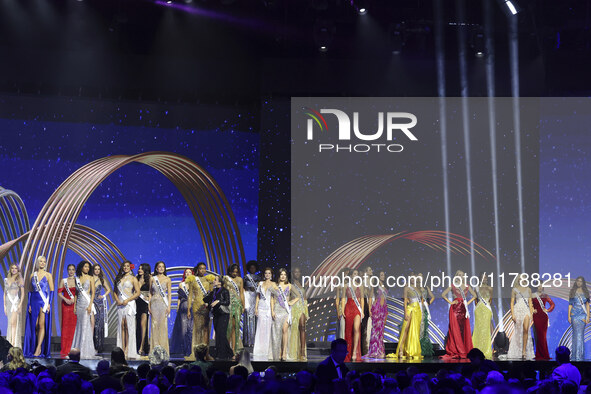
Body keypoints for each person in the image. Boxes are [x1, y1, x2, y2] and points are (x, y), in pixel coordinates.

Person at [24, 256, 54, 358]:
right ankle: (36, 345)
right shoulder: (32, 275)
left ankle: (38, 348)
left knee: (41, 324)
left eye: (44, 262)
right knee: (35, 325)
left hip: (43, 301)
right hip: (34, 301)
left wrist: (49, 303)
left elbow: (52, 290)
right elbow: (30, 291)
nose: (42, 263)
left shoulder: (48, 275)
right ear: (37, 263)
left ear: (45, 263)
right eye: (40, 261)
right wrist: (29, 304)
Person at [441, 270, 475, 359]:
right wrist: (450, 302)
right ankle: (456, 350)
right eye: (459, 275)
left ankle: (464, 349)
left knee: (463, 329)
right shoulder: (453, 285)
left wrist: (468, 303)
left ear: (464, 276)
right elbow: (443, 294)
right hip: (455, 309)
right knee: (455, 330)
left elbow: (475, 295)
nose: (460, 276)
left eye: (462, 275)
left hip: (464, 309)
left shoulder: (467, 286)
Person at [113, 261, 140, 360]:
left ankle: (128, 349)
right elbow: (115, 292)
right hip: (120, 305)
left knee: (129, 326)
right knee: (122, 326)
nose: (125, 268)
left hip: (129, 304)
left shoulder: (133, 279)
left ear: (130, 267)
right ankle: (122, 349)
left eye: (127, 266)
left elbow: (137, 293)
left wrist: (127, 300)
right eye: (124, 266)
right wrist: (117, 301)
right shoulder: (119, 279)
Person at [186, 262, 213, 360]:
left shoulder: (209, 280)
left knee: (205, 329)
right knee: (197, 329)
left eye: (204, 268)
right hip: (196, 306)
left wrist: (210, 305)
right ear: (198, 269)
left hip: (205, 307)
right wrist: (188, 309)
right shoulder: (193, 280)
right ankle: (196, 353)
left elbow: (211, 295)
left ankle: (206, 353)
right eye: (201, 268)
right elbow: (189, 296)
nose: (202, 270)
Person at [203, 275, 234, 359]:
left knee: (221, 334)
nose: (214, 281)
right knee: (219, 334)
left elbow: (227, 302)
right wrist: (209, 299)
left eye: (215, 280)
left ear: (220, 282)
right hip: (216, 314)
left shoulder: (225, 291)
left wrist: (218, 301)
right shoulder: (213, 291)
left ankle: (222, 354)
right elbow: (205, 299)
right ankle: (229, 353)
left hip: (223, 314)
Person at [71, 260, 97, 359]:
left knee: (86, 326)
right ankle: (77, 349)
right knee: (79, 326)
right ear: (81, 267)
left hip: (87, 304)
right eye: (85, 266)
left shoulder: (91, 278)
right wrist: (74, 306)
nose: (87, 268)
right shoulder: (77, 279)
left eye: (88, 267)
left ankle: (84, 350)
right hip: (79, 305)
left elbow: (93, 293)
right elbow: (77, 294)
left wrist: (90, 305)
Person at [507, 274, 535, 360]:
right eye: (520, 279)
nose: (522, 280)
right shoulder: (514, 290)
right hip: (517, 310)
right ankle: (518, 350)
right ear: (518, 280)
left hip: (526, 311)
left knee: (526, 329)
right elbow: (512, 302)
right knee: (518, 332)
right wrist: (512, 314)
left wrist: (531, 314)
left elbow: (530, 302)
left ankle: (524, 351)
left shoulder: (528, 289)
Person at [396, 275, 422, 359]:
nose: (412, 280)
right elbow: (405, 301)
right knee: (406, 328)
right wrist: (405, 312)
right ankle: (401, 349)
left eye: (414, 278)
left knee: (415, 331)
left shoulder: (418, 288)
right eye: (411, 278)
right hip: (410, 308)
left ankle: (412, 349)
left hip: (418, 310)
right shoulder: (407, 288)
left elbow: (421, 300)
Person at [149, 261, 172, 356]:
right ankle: (154, 350)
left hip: (163, 304)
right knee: (154, 326)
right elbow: (150, 293)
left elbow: (169, 294)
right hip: (154, 304)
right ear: (156, 268)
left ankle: (163, 350)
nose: (161, 268)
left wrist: (169, 306)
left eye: (163, 267)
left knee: (163, 326)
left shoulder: (167, 279)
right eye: (159, 267)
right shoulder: (152, 279)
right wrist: (149, 306)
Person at [170, 268, 194, 357]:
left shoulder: (194, 284)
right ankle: (183, 350)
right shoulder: (181, 284)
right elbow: (179, 298)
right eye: (186, 272)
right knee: (183, 330)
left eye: (190, 272)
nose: (188, 273)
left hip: (192, 307)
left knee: (190, 329)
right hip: (183, 307)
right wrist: (177, 307)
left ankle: (190, 350)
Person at [270, 268, 293, 361]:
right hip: (277, 310)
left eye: (284, 274)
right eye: (281, 275)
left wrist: (291, 302)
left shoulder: (290, 286)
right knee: (278, 332)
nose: (283, 276)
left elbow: (298, 296)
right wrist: (272, 311)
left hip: (285, 311)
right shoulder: (275, 286)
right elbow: (272, 299)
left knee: (284, 331)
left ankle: (284, 353)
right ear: (279, 276)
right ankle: (279, 352)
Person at [342, 269, 364, 362]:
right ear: (350, 275)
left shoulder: (360, 286)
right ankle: (348, 352)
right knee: (348, 332)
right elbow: (343, 299)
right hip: (349, 308)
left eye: (357, 274)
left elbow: (362, 299)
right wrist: (342, 310)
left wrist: (362, 311)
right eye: (354, 274)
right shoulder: (346, 286)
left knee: (356, 329)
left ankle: (354, 352)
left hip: (357, 309)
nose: (356, 275)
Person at [365, 271, 388, 359]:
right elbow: (370, 299)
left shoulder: (385, 287)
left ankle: (380, 350)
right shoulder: (374, 287)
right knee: (375, 330)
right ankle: (375, 351)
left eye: (384, 275)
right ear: (378, 277)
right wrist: (370, 310)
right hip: (377, 308)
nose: (383, 276)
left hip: (383, 309)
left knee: (381, 330)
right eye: (381, 275)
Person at [252, 267, 273, 360]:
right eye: (266, 273)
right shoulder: (260, 284)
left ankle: (267, 350)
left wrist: (272, 310)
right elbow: (258, 296)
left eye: (269, 273)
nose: (267, 275)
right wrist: (256, 308)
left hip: (268, 308)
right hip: (261, 307)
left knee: (268, 328)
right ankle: (259, 350)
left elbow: (273, 299)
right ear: (264, 275)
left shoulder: (273, 284)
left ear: (271, 275)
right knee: (260, 328)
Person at [288, 267, 308, 361]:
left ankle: (302, 352)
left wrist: (306, 311)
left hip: (302, 308)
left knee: (303, 327)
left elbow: (305, 298)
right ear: (292, 273)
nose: (297, 273)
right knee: (295, 329)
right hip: (294, 308)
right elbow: (287, 297)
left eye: (298, 272)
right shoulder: (290, 285)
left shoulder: (302, 285)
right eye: (295, 272)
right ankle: (294, 351)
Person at [58, 264, 78, 358]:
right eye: (69, 269)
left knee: (73, 327)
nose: (71, 271)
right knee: (66, 327)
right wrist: (65, 299)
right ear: (67, 271)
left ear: (75, 271)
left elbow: (79, 293)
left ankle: (73, 349)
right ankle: (65, 350)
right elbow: (59, 293)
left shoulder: (77, 280)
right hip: (66, 305)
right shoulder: (63, 280)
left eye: (72, 269)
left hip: (75, 305)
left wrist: (75, 301)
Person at [568, 276, 590, 361]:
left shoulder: (586, 292)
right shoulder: (573, 291)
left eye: (581, 281)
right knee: (575, 335)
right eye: (578, 281)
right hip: (574, 315)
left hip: (583, 315)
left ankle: (579, 357)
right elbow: (570, 305)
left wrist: (588, 316)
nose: (579, 283)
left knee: (580, 335)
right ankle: (574, 357)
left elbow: (587, 305)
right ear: (576, 282)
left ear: (583, 283)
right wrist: (569, 316)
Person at [472, 272, 493, 359]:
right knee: (478, 329)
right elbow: (475, 299)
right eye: (483, 277)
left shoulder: (490, 288)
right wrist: (478, 306)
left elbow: (490, 300)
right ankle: (477, 349)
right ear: (480, 278)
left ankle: (486, 350)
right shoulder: (476, 288)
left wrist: (486, 307)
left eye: (486, 277)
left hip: (487, 309)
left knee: (486, 329)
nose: (485, 279)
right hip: (478, 310)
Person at [225, 263, 245, 354]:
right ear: (230, 271)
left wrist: (243, 305)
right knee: (228, 327)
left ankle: (234, 349)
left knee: (235, 326)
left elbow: (241, 293)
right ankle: (227, 348)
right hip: (228, 304)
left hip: (237, 304)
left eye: (236, 272)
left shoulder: (240, 279)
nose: (235, 274)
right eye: (233, 272)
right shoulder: (226, 279)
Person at [3, 263, 24, 348]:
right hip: (8, 302)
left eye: (16, 268)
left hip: (15, 302)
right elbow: (4, 293)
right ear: (10, 269)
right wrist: (4, 305)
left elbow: (22, 294)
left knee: (13, 323)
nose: (14, 270)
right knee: (9, 323)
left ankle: (13, 343)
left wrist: (20, 304)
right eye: (12, 268)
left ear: (18, 270)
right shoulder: (6, 279)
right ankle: (9, 342)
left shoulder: (20, 280)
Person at [532, 283, 555, 360]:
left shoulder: (545, 295)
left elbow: (552, 304)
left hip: (544, 317)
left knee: (543, 336)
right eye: (539, 286)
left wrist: (548, 310)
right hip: (536, 316)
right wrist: (532, 309)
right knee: (538, 335)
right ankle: (539, 354)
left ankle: (544, 354)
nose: (540, 287)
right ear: (536, 286)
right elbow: (528, 304)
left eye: (542, 286)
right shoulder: (533, 295)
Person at [93, 264, 112, 354]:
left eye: (98, 269)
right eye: (95, 269)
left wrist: (103, 295)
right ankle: (91, 345)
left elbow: (109, 289)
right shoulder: (89, 278)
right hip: (90, 302)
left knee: (98, 324)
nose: (97, 271)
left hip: (99, 304)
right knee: (91, 324)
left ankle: (98, 346)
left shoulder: (102, 280)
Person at [243, 260, 260, 348]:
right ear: (249, 268)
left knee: (255, 318)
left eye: (254, 267)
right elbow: (243, 288)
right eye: (251, 267)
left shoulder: (258, 277)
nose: (252, 269)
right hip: (248, 296)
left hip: (256, 297)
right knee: (248, 317)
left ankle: (254, 340)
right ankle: (247, 340)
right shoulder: (246, 277)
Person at [417, 272, 434, 357]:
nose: (420, 278)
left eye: (421, 277)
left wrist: (428, 303)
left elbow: (433, 296)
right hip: (417, 310)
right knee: (417, 328)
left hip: (424, 310)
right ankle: (415, 348)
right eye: (418, 277)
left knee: (423, 329)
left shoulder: (426, 288)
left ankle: (421, 349)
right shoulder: (415, 288)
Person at [135, 263, 151, 356]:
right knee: (137, 325)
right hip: (137, 303)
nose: (139, 270)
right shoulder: (136, 278)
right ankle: (137, 346)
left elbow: (153, 290)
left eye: (141, 269)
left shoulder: (149, 278)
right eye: (139, 268)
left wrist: (149, 297)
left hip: (145, 304)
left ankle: (142, 347)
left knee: (143, 325)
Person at [361, 266, 374, 355]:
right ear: (366, 272)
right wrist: (369, 308)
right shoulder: (364, 282)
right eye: (369, 270)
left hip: (372, 303)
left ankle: (370, 348)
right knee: (365, 327)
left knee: (370, 327)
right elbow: (365, 295)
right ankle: (364, 349)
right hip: (366, 305)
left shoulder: (372, 281)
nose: (371, 271)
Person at [335, 268, 350, 340]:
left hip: (351, 306)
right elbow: (337, 299)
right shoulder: (339, 286)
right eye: (345, 274)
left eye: (348, 274)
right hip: (342, 307)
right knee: (342, 327)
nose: (346, 276)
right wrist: (338, 311)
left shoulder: (351, 285)